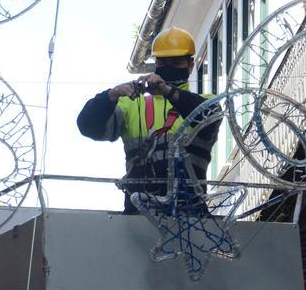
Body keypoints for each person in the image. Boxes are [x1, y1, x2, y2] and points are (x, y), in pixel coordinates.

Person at [77, 27, 220, 213]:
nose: (169, 67)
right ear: (156, 63)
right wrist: (111, 95)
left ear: (190, 66)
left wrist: (168, 91)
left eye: (176, 62)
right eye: (163, 62)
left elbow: (207, 119)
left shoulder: (206, 102)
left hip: (188, 212)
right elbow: (88, 127)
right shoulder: (129, 105)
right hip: (138, 213)